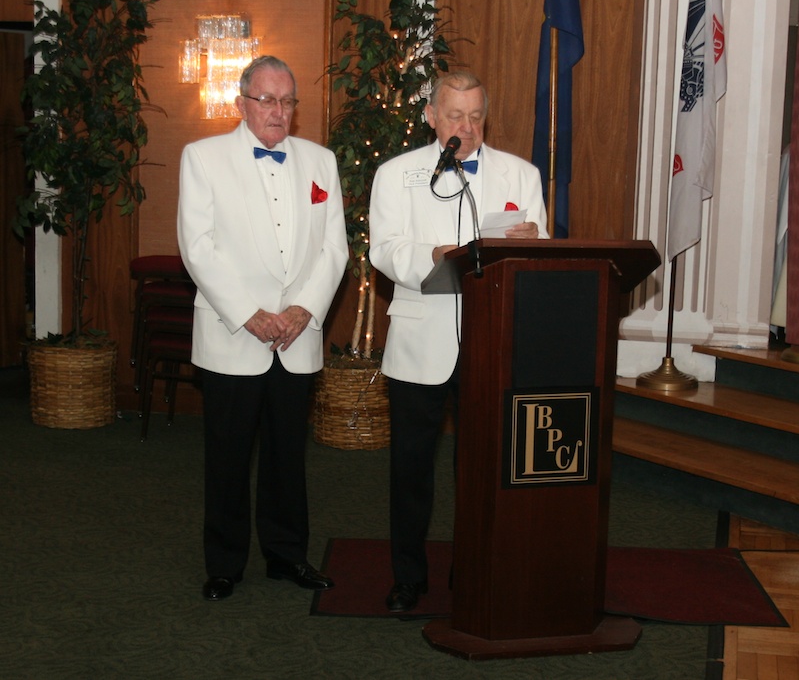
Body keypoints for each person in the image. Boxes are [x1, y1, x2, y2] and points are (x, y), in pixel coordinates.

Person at [368, 71, 550, 612]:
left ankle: (476, 571)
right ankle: (408, 577)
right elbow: (384, 249)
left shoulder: (521, 175)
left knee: (484, 470)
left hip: (491, 343)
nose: (466, 127)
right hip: (419, 343)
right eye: (454, 116)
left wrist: (532, 242)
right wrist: (435, 255)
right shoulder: (396, 173)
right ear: (431, 117)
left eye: (475, 117)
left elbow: (538, 247)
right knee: (411, 472)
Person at [177, 56, 348, 601]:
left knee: (286, 455)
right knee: (227, 457)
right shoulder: (202, 158)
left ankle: (287, 556)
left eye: (287, 101)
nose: (278, 111)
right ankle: (224, 564)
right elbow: (197, 247)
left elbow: (335, 249)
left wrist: (304, 309)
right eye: (266, 100)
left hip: (297, 338)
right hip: (234, 335)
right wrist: (249, 313)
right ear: (242, 102)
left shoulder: (321, 162)